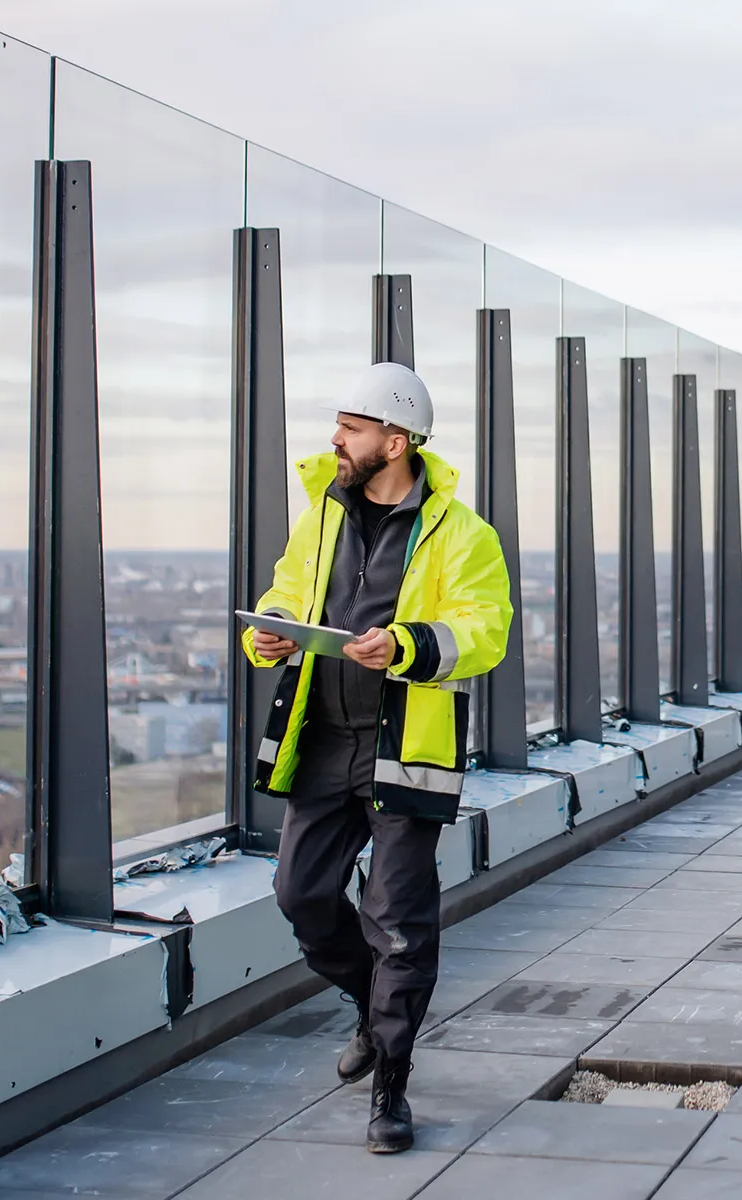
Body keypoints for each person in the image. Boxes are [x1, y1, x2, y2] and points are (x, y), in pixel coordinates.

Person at [242, 361, 513, 1154]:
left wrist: (402, 644)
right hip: (322, 739)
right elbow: (288, 590)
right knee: (301, 896)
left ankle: (390, 1085)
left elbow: (483, 632)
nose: (335, 440)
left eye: (351, 429)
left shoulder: (465, 534)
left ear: (394, 441)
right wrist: (269, 628)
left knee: (399, 924)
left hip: (406, 752)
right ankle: (371, 1009)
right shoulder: (321, 515)